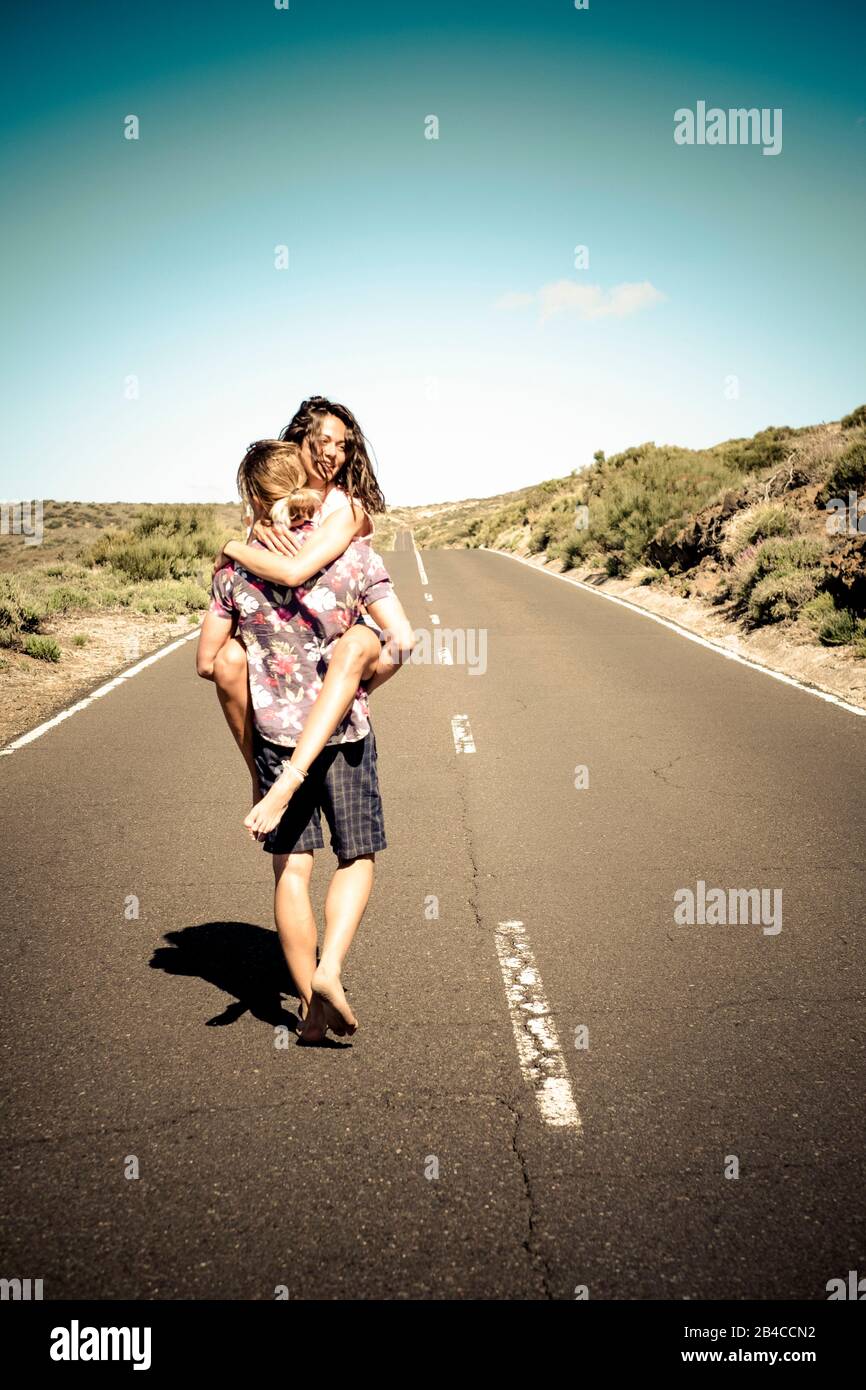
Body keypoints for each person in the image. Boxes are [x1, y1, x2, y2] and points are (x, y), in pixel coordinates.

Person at [197, 434, 414, 1044]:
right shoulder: (356, 556)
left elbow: (208, 661)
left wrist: (253, 650)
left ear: (252, 495)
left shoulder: (235, 572)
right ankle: (329, 972)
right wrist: (364, 672)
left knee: (292, 870)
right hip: (343, 733)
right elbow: (402, 640)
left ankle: (310, 1021)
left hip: (275, 739)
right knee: (356, 856)